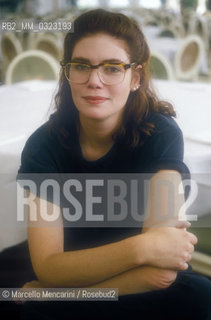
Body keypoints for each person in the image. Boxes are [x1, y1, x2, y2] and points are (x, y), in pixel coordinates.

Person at [17, 9, 211, 320]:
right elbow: (49, 266)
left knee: (200, 297)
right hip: (90, 274)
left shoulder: (160, 134)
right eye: (81, 66)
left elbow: (159, 275)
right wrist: (144, 248)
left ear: (135, 77)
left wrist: (56, 294)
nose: (94, 81)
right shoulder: (44, 145)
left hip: (125, 286)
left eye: (112, 68)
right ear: (67, 74)